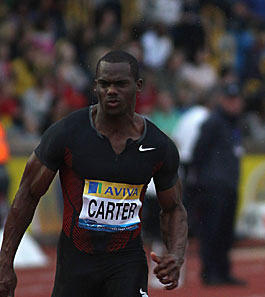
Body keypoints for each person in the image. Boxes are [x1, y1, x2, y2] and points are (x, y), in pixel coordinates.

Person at [0, 50, 188, 297]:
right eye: (104, 84)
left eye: (120, 84)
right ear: (95, 86)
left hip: (127, 261)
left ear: (138, 86)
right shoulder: (66, 134)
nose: (111, 90)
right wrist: (5, 265)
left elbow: (173, 208)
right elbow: (27, 195)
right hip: (76, 263)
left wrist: (175, 254)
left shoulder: (158, 146)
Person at [188, 82, 245, 286]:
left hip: (228, 185)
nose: (234, 103)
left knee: (226, 232)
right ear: (222, 100)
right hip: (213, 186)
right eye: (230, 99)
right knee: (212, 231)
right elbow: (198, 151)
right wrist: (204, 180)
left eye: (236, 99)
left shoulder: (233, 123)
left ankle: (222, 271)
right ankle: (210, 272)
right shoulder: (213, 122)